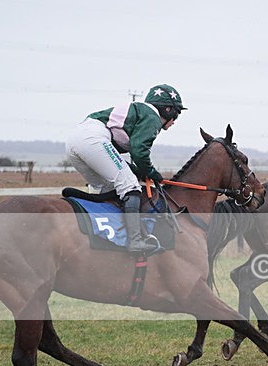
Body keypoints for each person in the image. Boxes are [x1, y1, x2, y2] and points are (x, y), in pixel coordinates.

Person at [66, 84, 186, 253]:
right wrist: (151, 172)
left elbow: (129, 159)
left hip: (75, 141)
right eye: (176, 114)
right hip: (93, 139)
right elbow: (139, 151)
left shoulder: (142, 112)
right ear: (167, 110)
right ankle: (135, 241)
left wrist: (139, 170)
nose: (175, 121)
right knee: (131, 186)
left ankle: (107, 236)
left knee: (108, 189)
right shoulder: (153, 117)